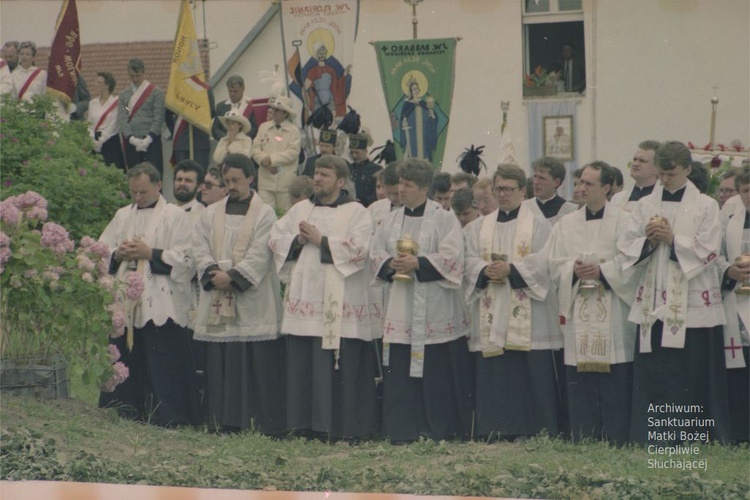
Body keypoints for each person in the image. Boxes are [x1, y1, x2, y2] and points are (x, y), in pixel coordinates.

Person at [618, 141, 730, 445]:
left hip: (692, 303)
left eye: (671, 174)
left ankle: (688, 437)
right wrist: (650, 242)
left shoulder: (706, 205)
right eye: (662, 174)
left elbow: (709, 250)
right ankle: (653, 436)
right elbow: (626, 244)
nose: (665, 180)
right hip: (654, 300)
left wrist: (672, 239)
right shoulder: (645, 205)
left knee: (686, 373)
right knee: (657, 371)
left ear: (688, 170)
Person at [269, 154, 380, 440]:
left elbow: (361, 250)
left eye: (325, 175)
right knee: (304, 365)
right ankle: (303, 425)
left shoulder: (357, 212)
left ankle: (338, 427)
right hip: (305, 300)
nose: (317, 178)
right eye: (316, 173)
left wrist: (322, 241)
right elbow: (275, 240)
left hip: (341, 303)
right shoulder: (300, 210)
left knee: (335, 365)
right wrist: (298, 240)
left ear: (341, 181)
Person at [371, 158, 472, 442]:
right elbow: (374, 253)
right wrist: (391, 264)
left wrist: (418, 263)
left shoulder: (443, 217)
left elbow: (453, 258)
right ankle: (402, 429)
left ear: (424, 188)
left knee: (435, 372)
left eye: (408, 185)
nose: (401, 189)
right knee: (401, 371)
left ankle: (436, 428)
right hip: (401, 306)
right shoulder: (390, 219)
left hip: (434, 308)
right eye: (400, 183)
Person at [463, 163, 561, 441]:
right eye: (498, 189)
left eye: (508, 189)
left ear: (522, 190)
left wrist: (512, 270)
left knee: (526, 369)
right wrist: (484, 270)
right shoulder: (478, 226)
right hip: (492, 304)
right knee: (495, 370)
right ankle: (495, 428)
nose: (503, 194)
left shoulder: (540, 225)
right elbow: (467, 259)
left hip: (527, 310)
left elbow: (545, 261)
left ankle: (532, 429)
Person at [98, 162, 200, 427]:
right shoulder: (122, 215)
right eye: (134, 193)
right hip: (127, 295)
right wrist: (118, 254)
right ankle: (124, 409)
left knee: (163, 359)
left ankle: (169, 415)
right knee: (127, 356)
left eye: (143, 192)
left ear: (158, 185)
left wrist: (150, 253)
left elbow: (187, 258)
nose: (138, 198)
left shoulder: (175, 217)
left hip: (160, 297)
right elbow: (102, 249)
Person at [192, 153, 285, 434]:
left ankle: (255, 421)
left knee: (252, 359)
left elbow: (261, 252)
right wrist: (212, 272)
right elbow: (199, 246)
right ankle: (222, 420)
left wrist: (231, 277)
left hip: (251, 296)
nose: (231, 185)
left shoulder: (265, 213)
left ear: (250, 178)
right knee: (222, 360)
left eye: (236, 180)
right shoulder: (210, 213)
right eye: (227, 180)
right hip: (218, 292)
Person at [547, 161, 637, 445]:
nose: (581, 188)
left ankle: (615, 434)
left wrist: (603, 271)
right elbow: (553, 262)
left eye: (589, 183)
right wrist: (572, 269)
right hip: (579, 305)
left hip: (612, 306)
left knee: (615, 372)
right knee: (580, 375)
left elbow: (633, 263)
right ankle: (584, 434)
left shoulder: (625, 222)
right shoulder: (567, 223)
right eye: (580, 182)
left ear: (607, 187)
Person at [718, 167, 750, 443]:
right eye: (745, 190)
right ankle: (741, 432)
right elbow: (718, 255)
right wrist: (730, 271)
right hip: (737, 299)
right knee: (741, 369)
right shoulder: (731, 218)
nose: (749, 196)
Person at [251, 95, 301, 212]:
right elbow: (254, 148)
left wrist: (272, 160)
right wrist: (263, 159)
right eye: (273, 109)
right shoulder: (263, 127)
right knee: (264, 214)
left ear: (285, 113)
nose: (274, 112)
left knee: (283, 215)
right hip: (265, 182)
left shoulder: (294, 131)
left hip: (285, 183)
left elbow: (293, 152)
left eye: (278, 110)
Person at [118, 59, 165, 175]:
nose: (135, 79)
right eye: (132, 76)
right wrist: (131, 138)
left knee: (153, 175)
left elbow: (158, 118)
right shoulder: (124, 95)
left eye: (137, 75)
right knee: (134, 176)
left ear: (143, 73)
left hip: (151, 141)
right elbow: (124, 118)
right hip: (132, 141)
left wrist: (148, 139)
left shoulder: (156, 93)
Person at [165, 86, 215, 170]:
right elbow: (167, 113)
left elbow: (211, 112)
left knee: (201, 175)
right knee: (183, 175)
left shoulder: (206, 89)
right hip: (182, 143)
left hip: (200, 142)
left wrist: (197, 103)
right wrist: (175, 130)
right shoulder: (179, 86)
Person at [523, 156, 578, 226]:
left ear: (556, 182)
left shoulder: (570, 211)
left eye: (541, 178)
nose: (536, 182)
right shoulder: (524, 208)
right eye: (535, 176)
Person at [303, 43, 351, 119]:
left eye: (324, 54)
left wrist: (344, 74)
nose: (322, 56)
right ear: (317, 55)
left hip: (329, 100)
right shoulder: (312, 71)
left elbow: (336, 86)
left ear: (326, 55)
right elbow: (304, 88)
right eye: (320, 54)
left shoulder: (331, 70)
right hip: (318, 102)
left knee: (332, 120)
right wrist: (307, 103)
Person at [610, 140, 661, 212]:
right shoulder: (618, 198)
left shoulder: (663, 199)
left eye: (642, 161)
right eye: (635, 159)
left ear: (657, 167)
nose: (635, 164)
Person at [87, 71, 125, 170]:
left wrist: (101, 141)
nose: (96, 85)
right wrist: (92, 139)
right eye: (96, 82)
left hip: (110, 142)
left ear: (107, 85)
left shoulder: (116, 102)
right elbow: (89, 124)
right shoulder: (92, 103)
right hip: (93, 141)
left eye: (99, 83)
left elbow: (113, 125)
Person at [397, 79, 440, 162]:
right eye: (413, 89)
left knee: (424, 155)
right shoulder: (407, 104)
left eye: (417, 88)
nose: (416, 91)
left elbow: (433, 117)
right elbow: (403, 118)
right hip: (411, 134)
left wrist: (432, 116)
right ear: (410, 91)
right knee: (412, 155)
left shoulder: (423, 103)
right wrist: (404, 122)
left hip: (424, 134)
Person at [212, 75, 258, 141]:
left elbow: (254, 128)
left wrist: (241, 139)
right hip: (225, 144)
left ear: (243, 89)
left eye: (235, 91)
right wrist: (226, 138)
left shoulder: (251, 105)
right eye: (230, 91)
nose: (232, 94)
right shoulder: (220, 107)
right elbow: (215, 129)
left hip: (245, 145)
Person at [348, 131, 382, 208]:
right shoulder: (347, 168)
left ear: (365, 151)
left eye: (357, 153)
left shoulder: (376, 169)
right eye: (352, 152)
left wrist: (361, 202)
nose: (354, 156)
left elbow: (377, 193)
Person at [368, 161, 403, 232]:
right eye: (388, 193)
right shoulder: (374, 209)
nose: (393, 198)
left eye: (397, 193)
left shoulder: (424, 210)